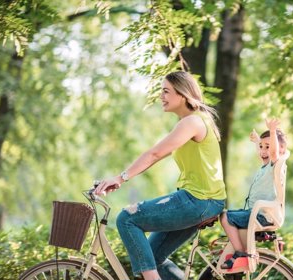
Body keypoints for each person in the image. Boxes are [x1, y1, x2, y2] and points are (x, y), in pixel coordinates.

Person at [94, 71, 226, 280]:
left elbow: (155, 154)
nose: (160, 96)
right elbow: (155, 155)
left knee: (127, 218)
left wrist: (120, 178)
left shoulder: (192, 122)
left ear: (182, 94)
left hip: (199, 199)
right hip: (203, 201)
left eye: (166, 91)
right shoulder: (196, 120)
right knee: (153, 257)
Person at [219, 118, 287, 269]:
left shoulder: (275, 165)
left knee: (224, 217)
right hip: (257, 213)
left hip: (262, 216)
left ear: (280, 150)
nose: (263, 151)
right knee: (225, 213)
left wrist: (272, 130)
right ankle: (239, 248)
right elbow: (262, 153)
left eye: (267, 147)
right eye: (262, 147)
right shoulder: (266, 166)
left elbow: (273, 152)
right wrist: (258, 141)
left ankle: (239, 252)